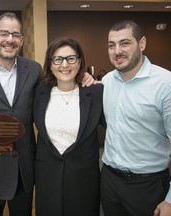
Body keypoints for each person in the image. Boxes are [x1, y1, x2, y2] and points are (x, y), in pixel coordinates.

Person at [0, 12, 94, 216]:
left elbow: (58, 86)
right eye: (4, 33)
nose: (10, 39)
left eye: (15, 34)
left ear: (21, 40)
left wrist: (83, 77)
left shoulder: (34, 70)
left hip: (23, 169)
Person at [100, 20, 171, 216]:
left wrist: (170, 200)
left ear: (142, 44)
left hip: (148, 185)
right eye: (111, 45)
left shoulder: (165, 84)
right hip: (109, 180)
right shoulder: (106, 82)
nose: (117, 51)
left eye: (125, 43)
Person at [33, 37, 105, 216]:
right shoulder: (38, 92)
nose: (64, 65)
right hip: (47, 176)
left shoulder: (96, 92)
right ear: (50, 64)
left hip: (84, 179)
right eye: (57, 59)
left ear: (79, 62)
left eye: (70, 58)